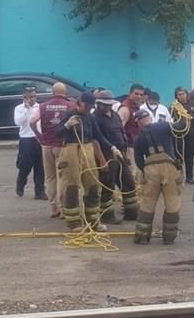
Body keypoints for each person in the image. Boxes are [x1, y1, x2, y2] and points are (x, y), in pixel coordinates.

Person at [56, 92, 120, 231]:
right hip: (71, 150)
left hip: (87, 149)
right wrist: (67, 126)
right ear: (79, 103)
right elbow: (57, 133)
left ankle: (93, 221)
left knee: (92, 185)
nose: (88, 109)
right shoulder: (69, 115)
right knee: (72, 186)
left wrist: (112, 147)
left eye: (91, 107)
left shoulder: (90, 117)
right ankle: (74, 223)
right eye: (87, 106)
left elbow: (98, 136)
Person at [133, 109, 190, 245]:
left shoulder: (138, 138)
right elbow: (181, 127)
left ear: (138, 122)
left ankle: (142, 237)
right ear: (150, 118)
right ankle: (169, 237)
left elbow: (138, 160)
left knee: (147, 203)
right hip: (170, 169)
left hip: (150, 170)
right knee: (172, 202)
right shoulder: (164, 126)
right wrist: (183, 114)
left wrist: (145, 171)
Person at [30, 82, 74, 217]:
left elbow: (32, 121)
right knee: (63, 177)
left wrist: (39, 136)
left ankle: (54, 208)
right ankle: (63, 208)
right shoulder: (70, 106)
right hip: (62, 146)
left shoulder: (43, 106)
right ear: (65, 92)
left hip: (47, 146)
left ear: (53, 93)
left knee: (50, 178)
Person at [93, 89, 138, 224]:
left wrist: (125, 153)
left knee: (128, 182)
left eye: (110, 104)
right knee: (108, 185)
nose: (108, 107)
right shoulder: (95, 118)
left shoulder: (114, 115)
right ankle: (107, 215)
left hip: (120, 154)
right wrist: (102, 160)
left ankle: (131, 212)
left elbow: (122, 132)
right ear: (99, 104)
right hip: (107, 155)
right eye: (105, 104)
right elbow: (97, 139)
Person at [14, 86, 46, 200]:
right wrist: (26, 110)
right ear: (24, 97)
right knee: (25, 165)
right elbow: (18, 122)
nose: (32, 99)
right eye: (29, 97)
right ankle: (20, 183)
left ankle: (39, 191)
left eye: (34, 96)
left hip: (38, 138)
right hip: (26, 139)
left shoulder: (40, 107)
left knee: (40, 166)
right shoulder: (19, 108)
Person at [170, 87, 194, 185]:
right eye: (179, 94)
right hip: (179, 134)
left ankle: (189, 177)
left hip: (192, 133)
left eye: (183, 94)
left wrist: (193, 116)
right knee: (178, 156)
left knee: (189, 156)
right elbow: (170, 119)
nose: (182, 96)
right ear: (176, 96)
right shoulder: (174, 107)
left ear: (186, 94)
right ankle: (179, 177)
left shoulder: (193, 104)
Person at [119, 83, 147, 151]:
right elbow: (118, 129)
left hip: (136, 145)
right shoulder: (125, 108)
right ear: (130, 94)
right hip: (128, 147)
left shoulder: (136, 107)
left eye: (141, 95)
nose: (139, 96)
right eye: (136, 94)